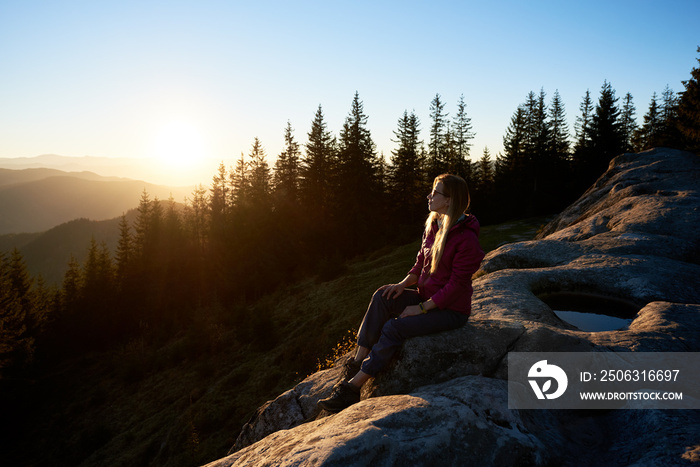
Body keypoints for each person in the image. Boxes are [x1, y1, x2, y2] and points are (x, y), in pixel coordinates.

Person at [318, 174, 485, 413]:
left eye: (435, 193)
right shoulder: (434, 225)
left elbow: (457, 285)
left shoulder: (466, 239)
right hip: (425, 297)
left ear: (449, 200)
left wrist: (421, 308)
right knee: (382, 296)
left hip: (450, 310)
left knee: (394, 327)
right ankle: (357, 362)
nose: (429, 196)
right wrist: (402, 284)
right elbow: (420, 263)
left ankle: (352, 389)